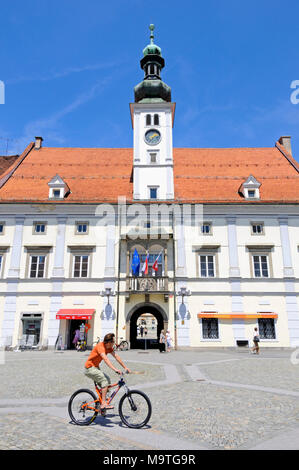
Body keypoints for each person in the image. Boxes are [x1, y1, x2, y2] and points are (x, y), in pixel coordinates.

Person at [84, 333, 131, 409]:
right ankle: (103, 403)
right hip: (89, 368)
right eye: (113, 342)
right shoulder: (100, 346)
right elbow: (105, 359)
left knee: (108, 380)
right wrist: (115, 369)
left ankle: (102, 401)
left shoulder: (109, 348)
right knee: (104, 381)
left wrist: (125, 367)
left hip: (96, 368)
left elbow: (116, 356)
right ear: (109, 342)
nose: (114, 343)